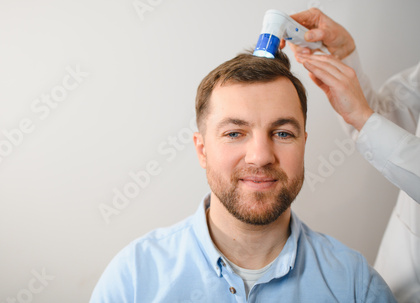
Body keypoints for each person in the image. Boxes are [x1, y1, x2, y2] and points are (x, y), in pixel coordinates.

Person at [89, 49, 396, 302]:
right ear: (202, 150)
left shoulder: (356, 286)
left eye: (283, 133)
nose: (261, 156)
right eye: (235, 133)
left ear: (304, 144)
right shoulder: (134, 278)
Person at [285, 7, 420, 302]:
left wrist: (363, 116)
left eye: (282, 133)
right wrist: (344, 57)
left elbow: (372, 124)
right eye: (234, 133)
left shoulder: (346, 273)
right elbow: (388, 122)